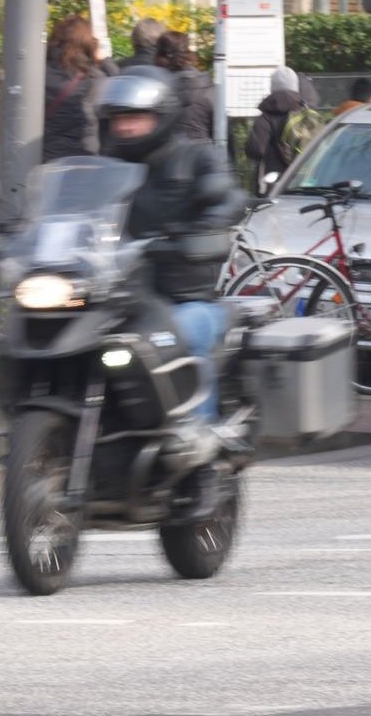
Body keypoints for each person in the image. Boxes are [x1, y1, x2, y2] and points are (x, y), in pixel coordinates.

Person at [92, 69, 247, 455]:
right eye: (119, 119)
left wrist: (205, 231)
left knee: (182, 334)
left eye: (135, 117)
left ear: (162, 116)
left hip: (185, 294)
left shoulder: (196, 158)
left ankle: (198, 438)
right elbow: (68, 212)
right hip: (120, 297)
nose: (126, 128)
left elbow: (229, 200)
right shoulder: (102, 169)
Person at [42, 16, 108, 162]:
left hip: (45, 159)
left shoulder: (39, 74)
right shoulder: (95, 79)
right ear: (87, 43)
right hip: (83, 160)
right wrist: (105, 60)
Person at [245, 66, 308, 193]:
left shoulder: (266, 117)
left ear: (272, 86)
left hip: (273, 183)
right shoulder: (304, 111)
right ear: (295, 86)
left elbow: (255, 150)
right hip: (304, 181)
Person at [155, 30, 217, 141]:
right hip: (201, 153)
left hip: (165, 155)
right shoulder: (207, 88)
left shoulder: (154, 88)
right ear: (187, 53)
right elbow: (224, 132)